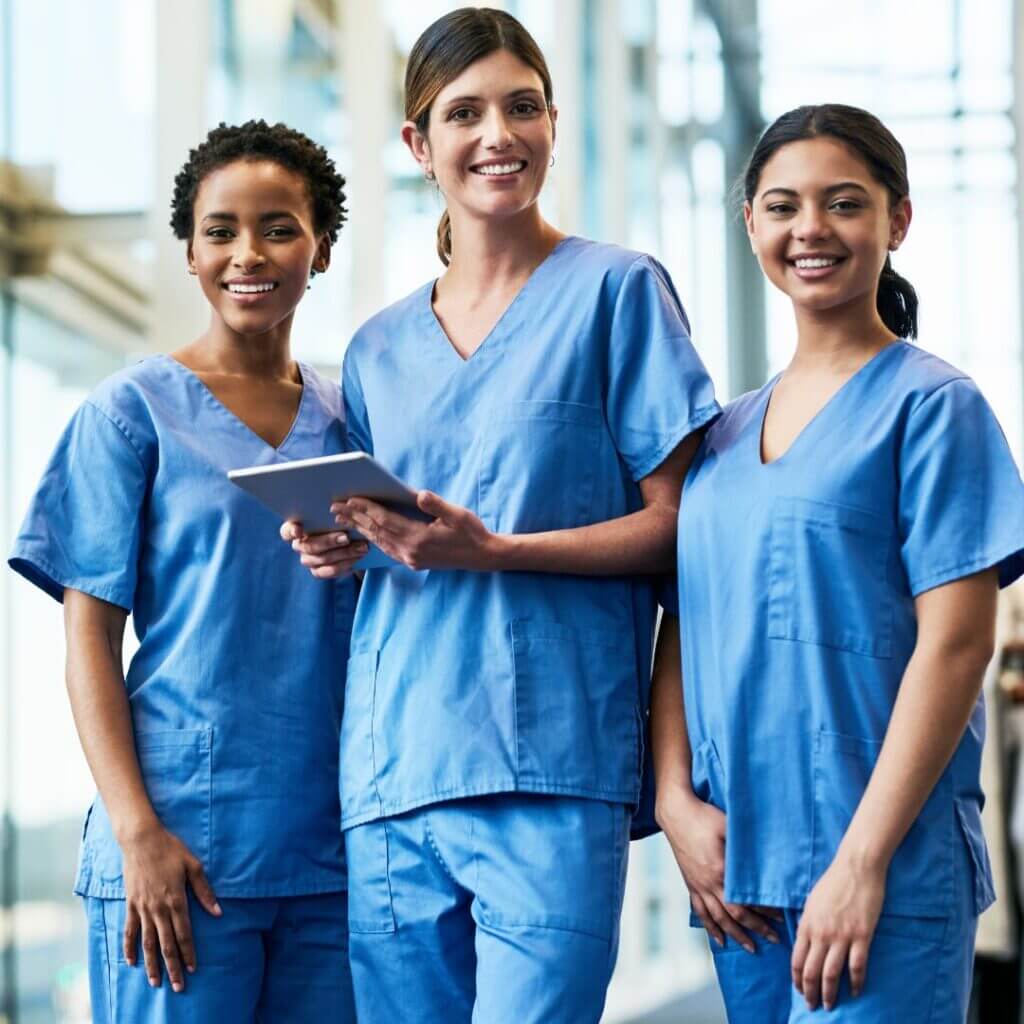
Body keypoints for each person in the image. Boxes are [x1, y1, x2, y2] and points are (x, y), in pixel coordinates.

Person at [285, 8, 720, 1022]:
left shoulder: (617, 293)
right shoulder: (378, 348)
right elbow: (396, 537)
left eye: (521, 107)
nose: (498, 134)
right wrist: (340, 540)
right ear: (417, 143)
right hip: (394, 774)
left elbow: (684, 528)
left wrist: (497, 549)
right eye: (465, 112)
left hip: (553, 763)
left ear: (554, 125)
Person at [650, 102, 1024, 1023]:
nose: (810, 229)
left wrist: (861, 864)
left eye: (844, 203)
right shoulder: (721, 437)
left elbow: (956, 647)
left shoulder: (935, 408)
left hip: (882, 874)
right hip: (739, 870)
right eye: (782, 206)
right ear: (750, 226)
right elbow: (684, 625)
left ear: (897, 220)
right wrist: (674, 806)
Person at [8, 121, 358, 1023]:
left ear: (319, 247)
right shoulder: (132, 413)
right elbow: (88, 636)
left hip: (332, 861)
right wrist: (137, 835)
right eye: (220, 231)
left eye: (279, 227)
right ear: (192, 252)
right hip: (179, 855)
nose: (250, 253)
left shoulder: (350, 425)